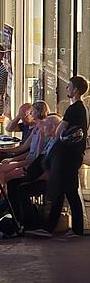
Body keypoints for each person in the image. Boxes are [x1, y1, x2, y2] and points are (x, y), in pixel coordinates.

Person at [28, 76, 89, 238]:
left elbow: (59, 131)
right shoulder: (83, 109)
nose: (67, 88)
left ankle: (73, 230)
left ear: (75, 90)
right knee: (64, 191)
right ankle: (54, 228)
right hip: (73, 155)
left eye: (69, 86)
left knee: (69, 192)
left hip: (67, 157)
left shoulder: (74, 109)